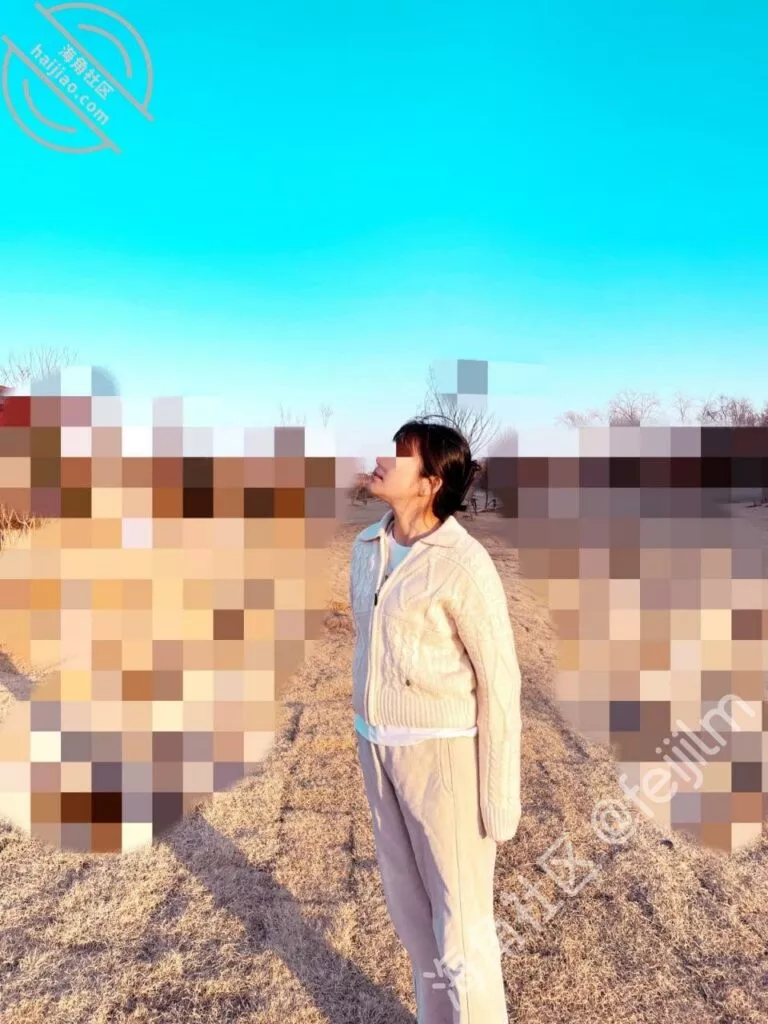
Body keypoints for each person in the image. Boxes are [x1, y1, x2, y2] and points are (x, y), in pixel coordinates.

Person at [349, 415, 522, 1024]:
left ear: (428, 483)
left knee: (461, 929)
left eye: (400, 455)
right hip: (378, 748)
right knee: (413, 919)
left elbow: (501, 681)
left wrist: (499, 796)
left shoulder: (463, 563)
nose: (382, 461)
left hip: (442, 757)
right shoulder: (367, 546)